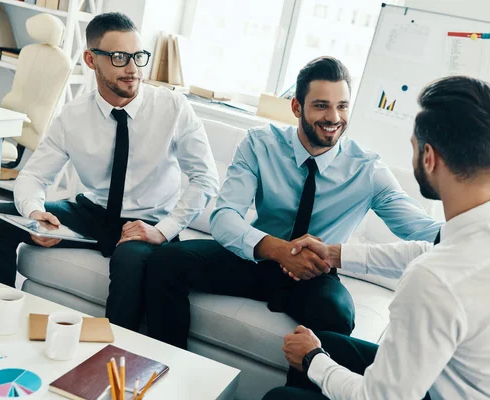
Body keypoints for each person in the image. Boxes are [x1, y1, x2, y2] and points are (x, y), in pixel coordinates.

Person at [264, 76, 490, 400]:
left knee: (279, 396)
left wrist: (312, 361)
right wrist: (336, 254)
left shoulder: (434, 280)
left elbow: (378, 398)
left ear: (429, 157)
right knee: (331, 344)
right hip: (482, 385)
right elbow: (438, 250)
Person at [143, 56, 442, 350]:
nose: (334, 118)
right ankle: (169, 368)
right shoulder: (260, 144)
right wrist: (280, 251)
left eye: (342, 106)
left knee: (337, 315)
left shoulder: (368, 171)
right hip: (257, 255)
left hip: (315, 274)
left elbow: (421, 228)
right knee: (165, 262)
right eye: (321, 105)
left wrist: (478, 224)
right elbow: (224, 217)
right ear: (297, 106)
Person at [0, 12, 219, 331]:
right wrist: (36, 213)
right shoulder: (74, 114)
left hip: (147, 222)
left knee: (129, 260)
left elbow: (206, 179)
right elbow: (34, 176)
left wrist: (164, 229)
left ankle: (113, 360)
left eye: (138, 56)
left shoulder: (173, 108)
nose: (133, 68)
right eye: (120, 57)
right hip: (92, 214)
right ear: (91, 59)